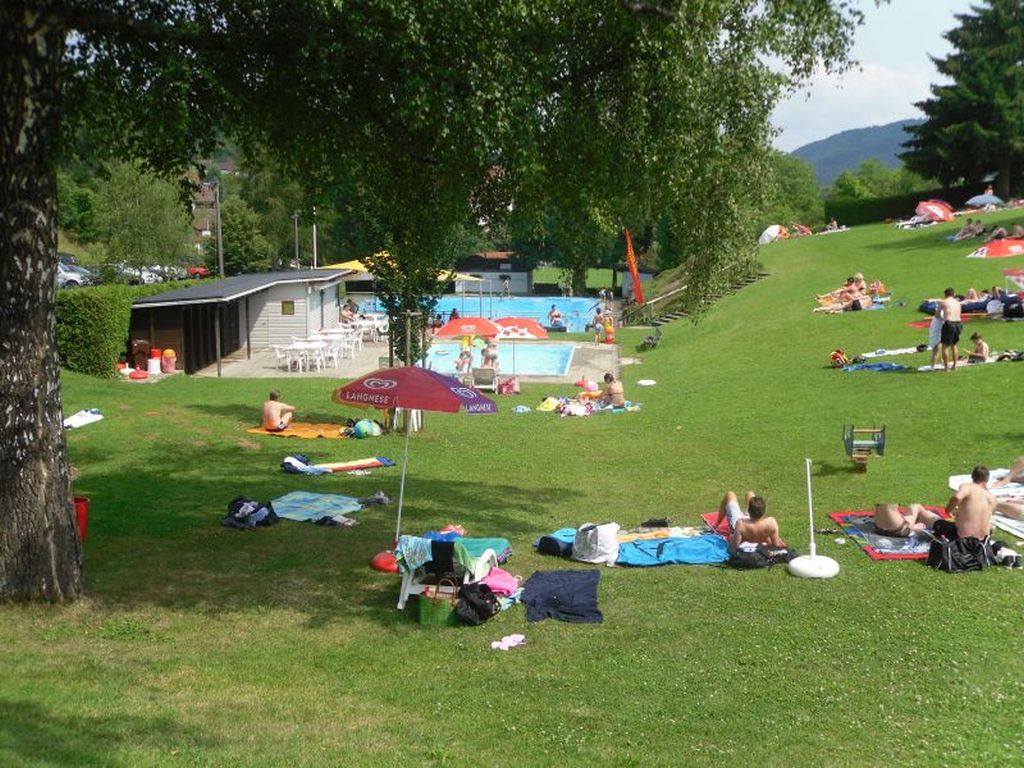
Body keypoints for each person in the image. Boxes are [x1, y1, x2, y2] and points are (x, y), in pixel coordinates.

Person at [711, 491, 786, 548]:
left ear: (748, 511)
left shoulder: (740, 524)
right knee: (750, 493)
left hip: (744, 525)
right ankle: (716, 524)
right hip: (755, 524)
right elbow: (776, 544)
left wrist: (731, 537)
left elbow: (734, 546)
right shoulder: (771, 522)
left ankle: (716, 524)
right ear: (764, 511)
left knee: (730, 494)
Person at [938, 287, 963, 370]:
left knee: (945, 346)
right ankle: (955, 366)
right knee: (954, 345)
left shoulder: (943, 302)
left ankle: (946, 368)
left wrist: (942, 320)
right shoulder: (958, 303)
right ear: (954, 294)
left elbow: (937, 314)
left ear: (945, 294)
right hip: (958, 324)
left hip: (949, 324)